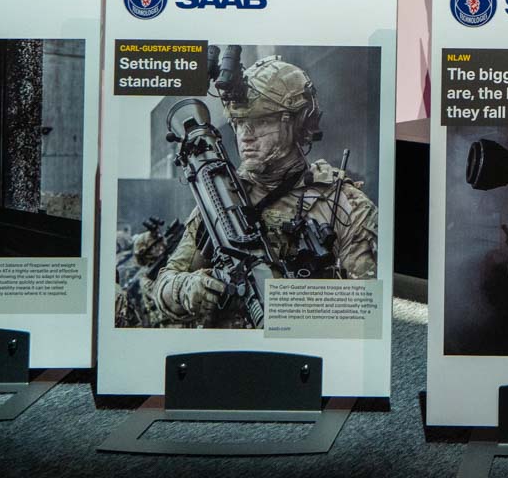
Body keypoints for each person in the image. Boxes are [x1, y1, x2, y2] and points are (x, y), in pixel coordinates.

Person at [151, 56, 378, 327]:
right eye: (238, 123)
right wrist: (188, 288)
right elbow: (164, 284)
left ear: (297, 123)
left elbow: (366, 312)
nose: (245, 135)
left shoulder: (345, 205)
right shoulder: (223, 197)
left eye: (260, 122)